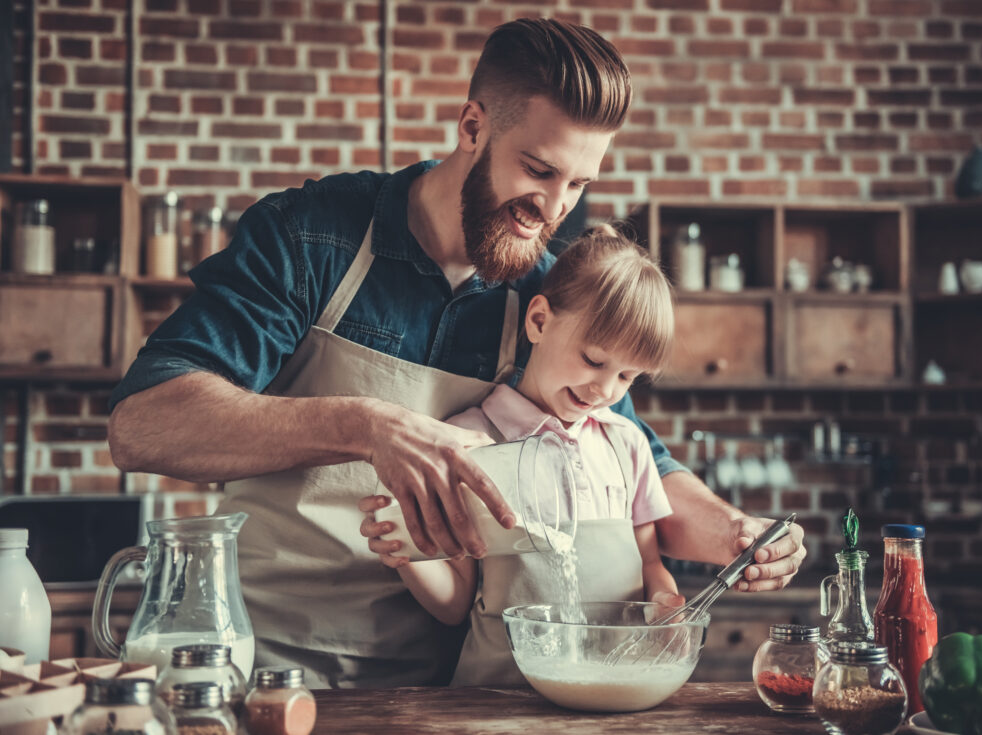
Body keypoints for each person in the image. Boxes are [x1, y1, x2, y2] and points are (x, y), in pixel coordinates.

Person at [107, 18, 806, 688]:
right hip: (272, 662)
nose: (555, 208)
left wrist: (739, 533)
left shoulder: (545, 293)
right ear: (472, 126)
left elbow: (629, 461)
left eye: (579, 184)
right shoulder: (312, 239)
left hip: (438, 688)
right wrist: (365, 426)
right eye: (539, 169)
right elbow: (143, 422)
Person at [368, 225, 687, 686]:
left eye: (627, 377)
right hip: (496, 698)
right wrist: (404, 556)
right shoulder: (467, 444)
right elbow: (456, 604)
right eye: (594, 361)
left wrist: (666, 604)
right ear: (538, 321)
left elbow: (650, 565)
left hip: (610, 693)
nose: (604, 390)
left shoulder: (627, 445)